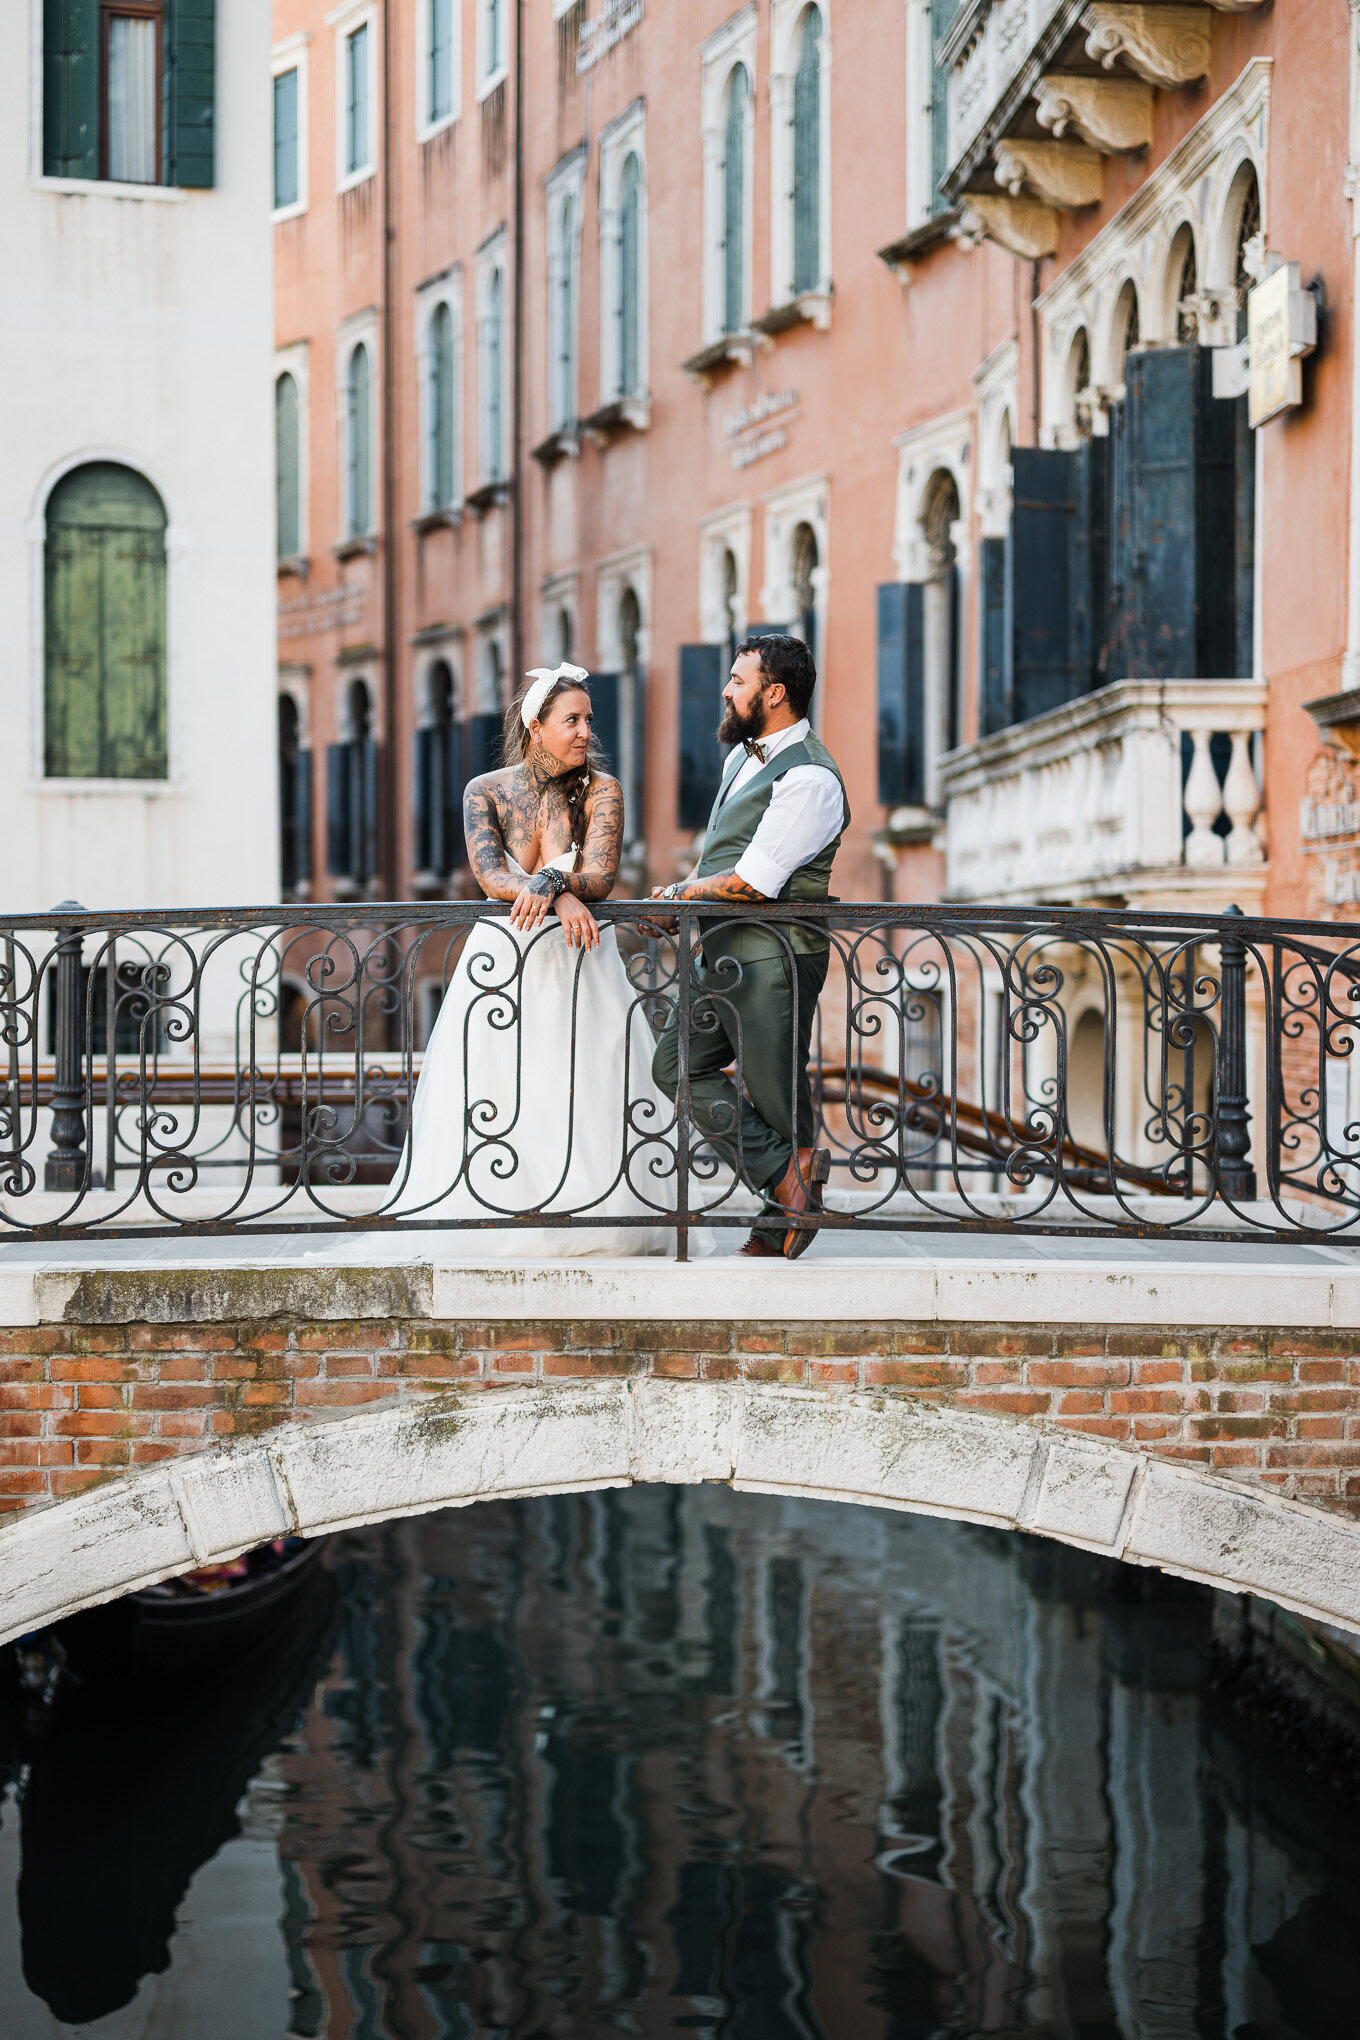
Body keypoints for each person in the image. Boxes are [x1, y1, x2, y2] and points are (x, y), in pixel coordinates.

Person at [389, 663, 675, 1256]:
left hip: (580, 961)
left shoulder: (603, 790)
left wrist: (558, 881)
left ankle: (587, 1212)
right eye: (571, 720)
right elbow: (490, 873)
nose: (584, 732)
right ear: (535, 727)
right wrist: (557, 890)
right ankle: (502, 1211)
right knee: (502, 1084)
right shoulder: (485, 790)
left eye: (588, 720)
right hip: (502, 962)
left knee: (582, 1080)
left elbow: (601, 875)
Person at [650, 633, 849, 1259]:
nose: (728, 691)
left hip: (777, 955)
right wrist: (686, 902)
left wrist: (679, 897)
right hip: (724, 951)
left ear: (776, 693)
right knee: (676, 1065)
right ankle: (788, 1181)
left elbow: (752, 880)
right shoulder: (743, 759)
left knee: (773, 1086)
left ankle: (777, 1220)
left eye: (739, 681)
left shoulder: (811, 777)